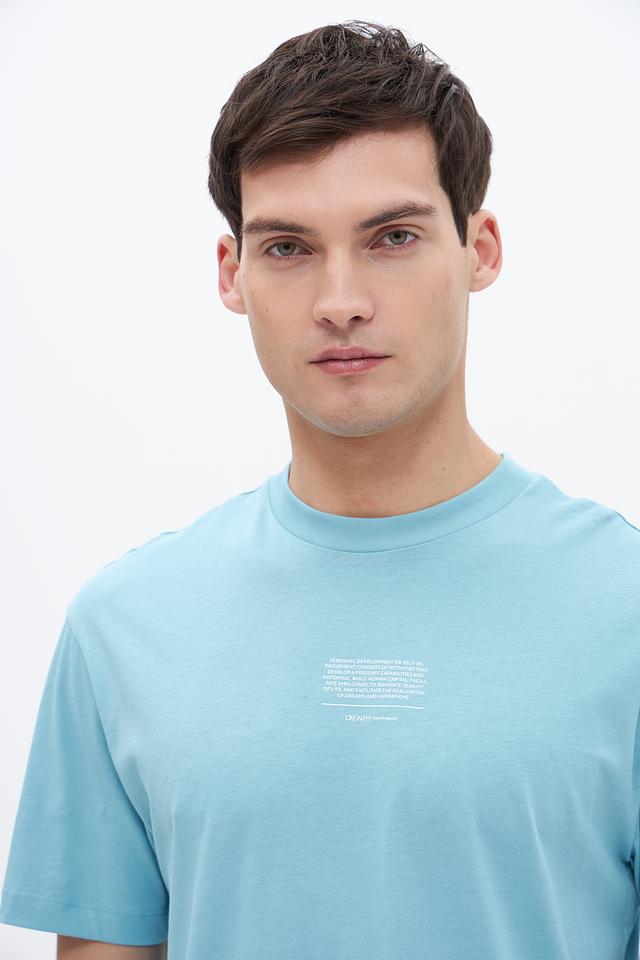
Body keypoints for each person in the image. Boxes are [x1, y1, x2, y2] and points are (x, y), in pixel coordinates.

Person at [1, 18, 639, 960]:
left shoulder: (626, 607)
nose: (342, 302)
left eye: (393, 236)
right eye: (289, 248)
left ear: (481, 249)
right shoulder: (123, 626)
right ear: (233, 275)